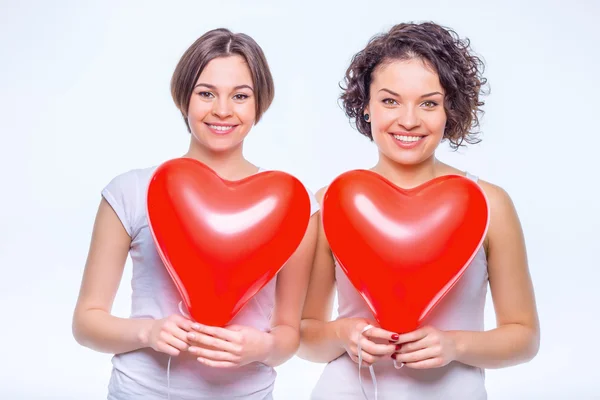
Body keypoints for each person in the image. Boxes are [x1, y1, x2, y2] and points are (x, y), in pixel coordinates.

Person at [72, 28, 319, 400]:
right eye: (206, 93)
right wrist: (148, 333)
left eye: (240, 96)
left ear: (259, 104)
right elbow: (86, 322)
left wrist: (260, 348)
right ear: (183, 98)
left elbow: (287, 333)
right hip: (140, 392)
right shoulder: (131, 191)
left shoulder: (291, 204)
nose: (222, 110)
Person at [299, 22, 540, 399]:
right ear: (365, 106)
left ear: (450, 109)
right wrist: (343, 334)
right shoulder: (331, 202)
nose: (409, 120)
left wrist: (455, 345)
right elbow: (306, 336)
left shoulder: (489, 204)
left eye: (428, 102)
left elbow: (524, 337)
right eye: (390, 100)